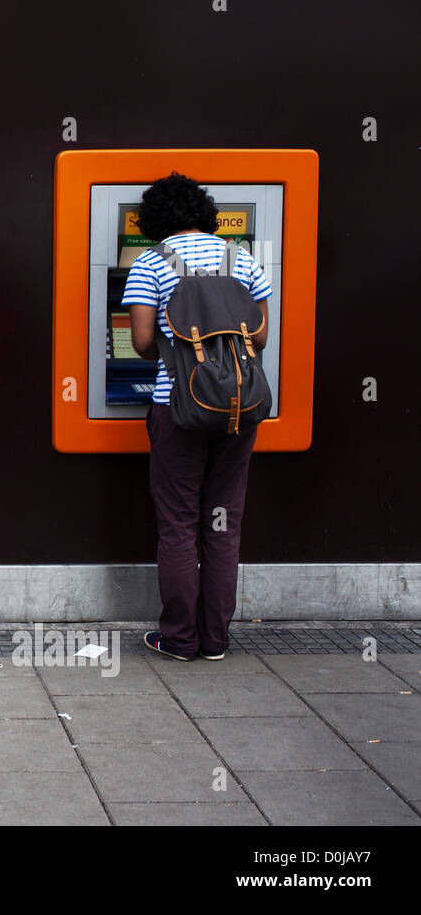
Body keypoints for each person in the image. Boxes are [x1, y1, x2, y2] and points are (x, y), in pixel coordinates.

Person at [121, 172, 270, 662]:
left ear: (156, 219)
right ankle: (216, 640)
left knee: (179, 523)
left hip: (178, 408)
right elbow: (261, 337)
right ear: (205, 214)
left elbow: (142, 343)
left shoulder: (150, 262)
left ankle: (180, 638)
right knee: (224, 522)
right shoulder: (241, 258)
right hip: (237, 408)